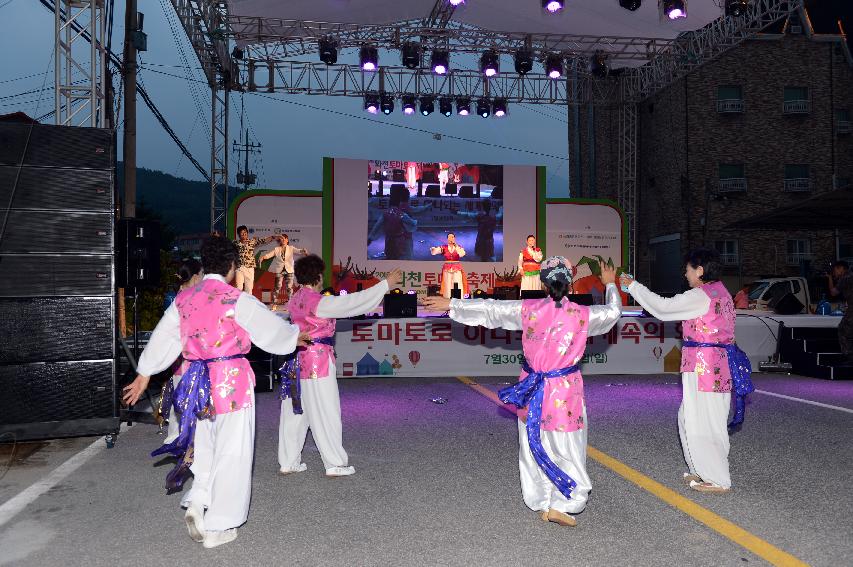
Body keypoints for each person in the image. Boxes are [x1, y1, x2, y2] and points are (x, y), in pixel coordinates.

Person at [122, 235, 308, 548]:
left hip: (196, 381)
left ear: (205, 264)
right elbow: (272, 331)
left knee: (205, 444)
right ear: (234, 267)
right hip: (230, 379)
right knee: (232, 449)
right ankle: (220, 526)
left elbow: (165, 337)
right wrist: (293, 338)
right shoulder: (236, 299)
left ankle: (197, 500)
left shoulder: (184, 299)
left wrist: (144, 373)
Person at [423, 257, 621, 527]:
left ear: (541, 282)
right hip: (564, 391)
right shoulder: (583, 314)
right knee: (567, 445)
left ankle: (541, 498)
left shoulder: (528, 309)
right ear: (570, 283)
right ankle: (565, 501)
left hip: (531, 386)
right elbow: (613, 312)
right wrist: (610, 284)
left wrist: (453, 304)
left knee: (532, 441)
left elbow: (491, 310)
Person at [621, 248, 753, 494]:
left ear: (700, 271)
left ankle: (718, 478)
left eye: (689, 268)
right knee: (690, 417)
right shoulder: (720, 291)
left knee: (706, 420)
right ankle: (701, 469)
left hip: (706, 366)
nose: (685, 273)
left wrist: (634, 287)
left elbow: (663, 307)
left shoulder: (701, 295)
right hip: (707, 363)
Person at [278, 255, 402, 477]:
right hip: (317, 361)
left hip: (295, 361)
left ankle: (288, 461)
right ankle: (334, 463)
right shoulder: (319, 301)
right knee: (326, 410)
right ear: (318, 276)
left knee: (296, 411)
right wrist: (384, 286)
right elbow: (351, 303)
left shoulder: (294, 300)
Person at [159, 258, 203, 445]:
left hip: (180, 355)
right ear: (194, 277)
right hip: (189, 355)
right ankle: (183, 440)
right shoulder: (188, 299)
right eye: (201, 275)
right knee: (186, 398)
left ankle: (175, 438)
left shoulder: (174, 296)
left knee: (179, 396)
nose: (203, 278)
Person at [367, 185, 430, 260]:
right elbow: (413, 222)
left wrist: (370, 238)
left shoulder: (386, 213)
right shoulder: (402, 213)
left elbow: (376, 227)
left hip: (389, 241)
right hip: (402, 241)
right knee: (404, 257)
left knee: (391, 258)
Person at [260, 234, 309, 306]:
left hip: (289, 270)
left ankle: (290, 304)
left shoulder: (291, 248)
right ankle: (274, 303)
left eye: (283, 238)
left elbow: (299, 251)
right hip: (280, 270)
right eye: (281, 239)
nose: (282, 240)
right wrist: (263, 257)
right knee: (277, 287)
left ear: (287, 240)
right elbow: (269, 255)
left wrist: (303, 250)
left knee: (289, 287)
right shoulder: (277, 249)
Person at [234, 225, 275, 295]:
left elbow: (263, 240)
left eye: (245, 232)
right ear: (239, 234)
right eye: (242, 232)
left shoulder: (252, 242)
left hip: (250, 268)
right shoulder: (235, 243)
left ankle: (248, 304)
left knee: (249, 289)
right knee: (238, 288)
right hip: (239, 268)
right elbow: (226, 245)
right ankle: (238, 304)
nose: (244, 234)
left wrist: (274, 237)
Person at [828, 260, 853, 362]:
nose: (835, 273)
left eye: (835, 270)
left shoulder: (845, 278)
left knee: (843, 330)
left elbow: (833, 292)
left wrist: (829, 278)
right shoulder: (851, 276)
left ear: (841, 268)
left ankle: (849, 355)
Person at [430, 233, 468, 298]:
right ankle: (447, 298)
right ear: (447, 239)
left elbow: (462, 254)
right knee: (447, 283)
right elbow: (435, 251)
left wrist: (456, 246)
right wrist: (434, 250)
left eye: (452, 237)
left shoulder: (458, 247)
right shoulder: (444, 247)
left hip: (456, 267)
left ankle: (458, 298)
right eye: (449, 237)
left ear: (454, 238)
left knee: (457, 282)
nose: (451, 239)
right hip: (447, 268)